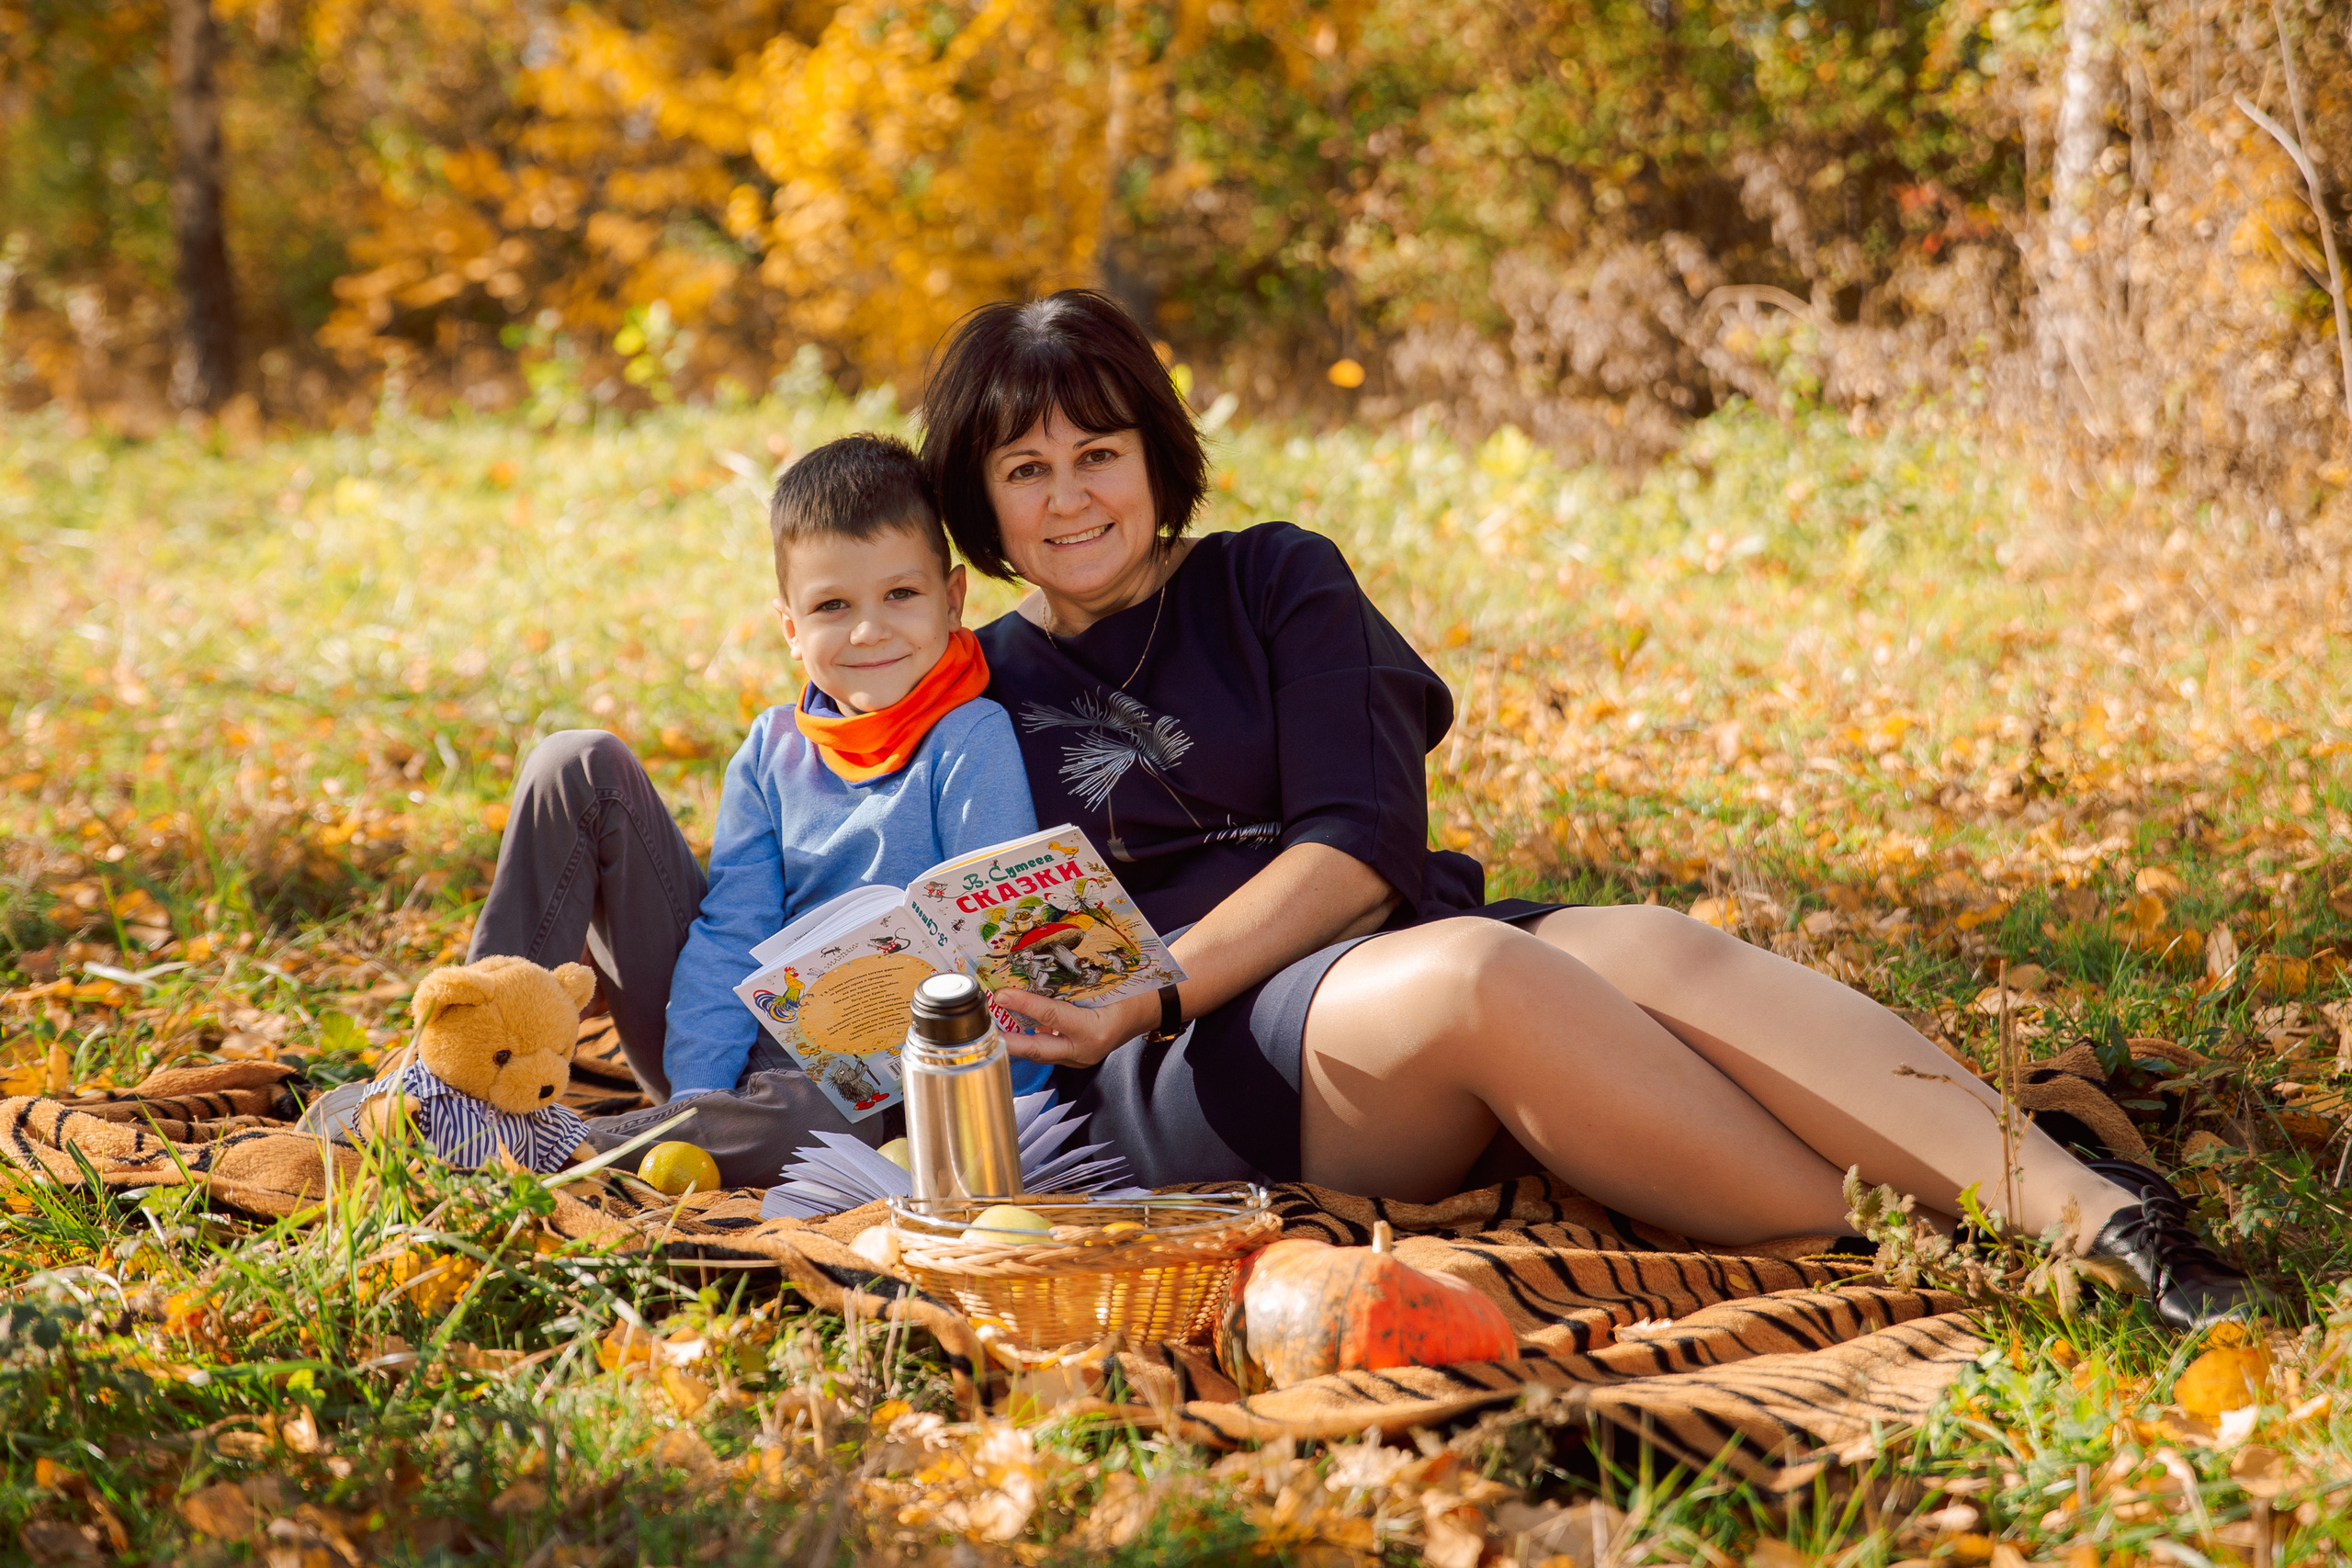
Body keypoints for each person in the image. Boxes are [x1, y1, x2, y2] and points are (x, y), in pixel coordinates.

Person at [921, 288, 2258, 1330]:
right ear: (982, 502)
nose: (1069, 495)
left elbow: (1364, 841)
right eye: (1025, 470)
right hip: (1192, 1051)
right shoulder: (983, 682)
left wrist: (1154, 980)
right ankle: (1923, 1238)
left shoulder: (1274, 578)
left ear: (1157, 455)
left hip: (1350, 948)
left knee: (1641, 942)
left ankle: (2104, 1216)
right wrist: (1135, 999)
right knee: (1485, 973)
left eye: (1098, 451)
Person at [466, 434, 1042, 1188]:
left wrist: (1012, 1123)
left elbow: (1003, 950)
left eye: (901, 594)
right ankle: (469, 1074)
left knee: (822, 1120)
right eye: (833, 605)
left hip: (881, 1090)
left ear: (953, 598)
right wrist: (702, 1090)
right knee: (574, 761)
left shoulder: (971, 737)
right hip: (728, 1049)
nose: (869, 630)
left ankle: (547, 1148)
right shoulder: (773, 748)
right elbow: (730, 929)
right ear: (791, 628)